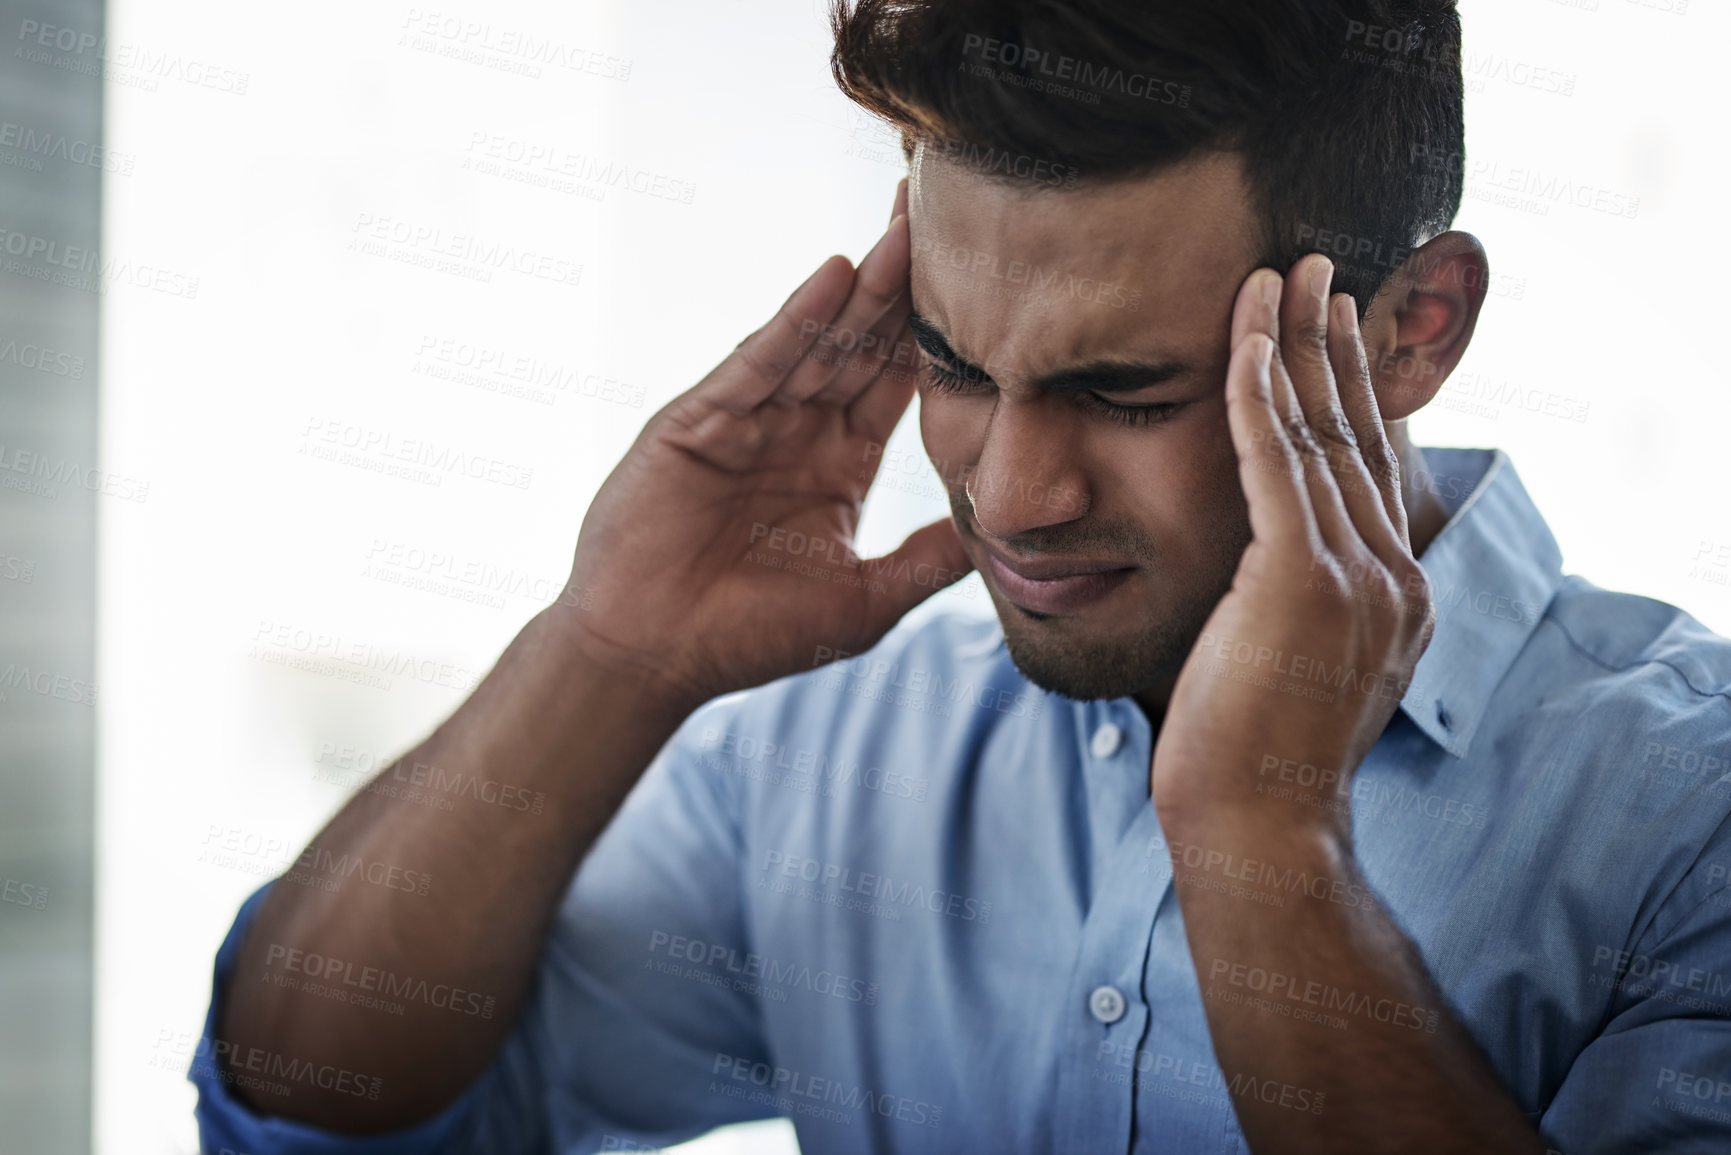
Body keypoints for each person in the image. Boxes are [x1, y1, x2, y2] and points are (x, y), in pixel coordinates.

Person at [192, 1, 1731, 1152]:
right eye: (953, 364)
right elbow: (310, 1104)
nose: (1010, 497)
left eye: (1126, 391)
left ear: (1412, 331)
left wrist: (1264, 842)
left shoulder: (1690, 820)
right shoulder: (836, 748)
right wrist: (606, 654)